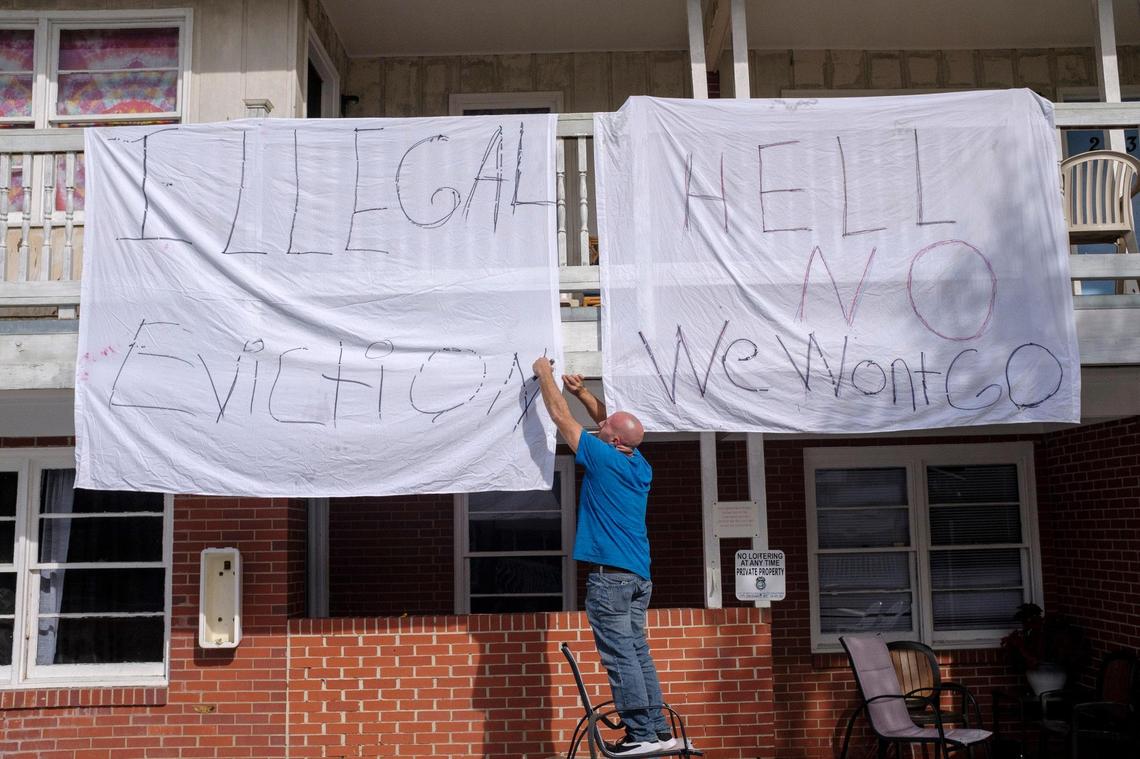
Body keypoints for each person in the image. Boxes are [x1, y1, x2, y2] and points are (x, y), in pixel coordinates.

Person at [532, 358, 676, 757]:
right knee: (638, 651)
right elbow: (611, 422)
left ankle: (640, 734)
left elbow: (562, 419)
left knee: (620, 656)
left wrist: (546, 375)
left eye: (605, 429)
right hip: (637, 577)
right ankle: (658, 729)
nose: (600, 424)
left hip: (610, 578)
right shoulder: (638, 463)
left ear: (613, 442)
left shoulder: (604, 458)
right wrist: (582, 392)